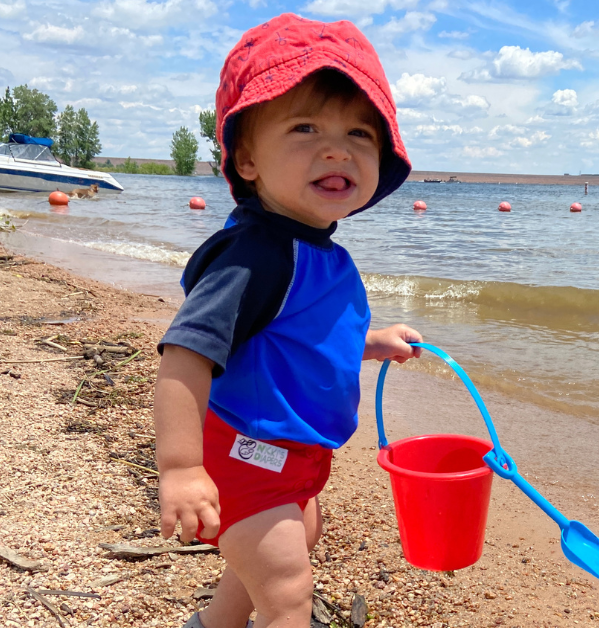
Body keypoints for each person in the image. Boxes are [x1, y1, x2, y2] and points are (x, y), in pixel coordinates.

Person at [153, 14, 417, 628]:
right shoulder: (255, 255)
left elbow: (301, 344)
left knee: (299, 537)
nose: (337, 148)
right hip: (244, 454)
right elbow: (184, 354)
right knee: (288, 589)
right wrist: (181, 469)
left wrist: (372, 343)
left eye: (360, 132)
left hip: (291, 455)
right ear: (246, 159)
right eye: (305, 127)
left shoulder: (322, 251)